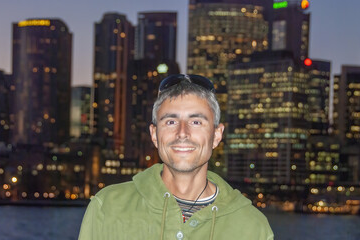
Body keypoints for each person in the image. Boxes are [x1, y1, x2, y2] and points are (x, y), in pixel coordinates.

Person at [78, 74, 274, 240]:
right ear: (154, 135)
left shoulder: (253, 228)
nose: (182, 133)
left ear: (216, 135)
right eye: (171, 121)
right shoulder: (108, 207)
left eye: (196, 122)